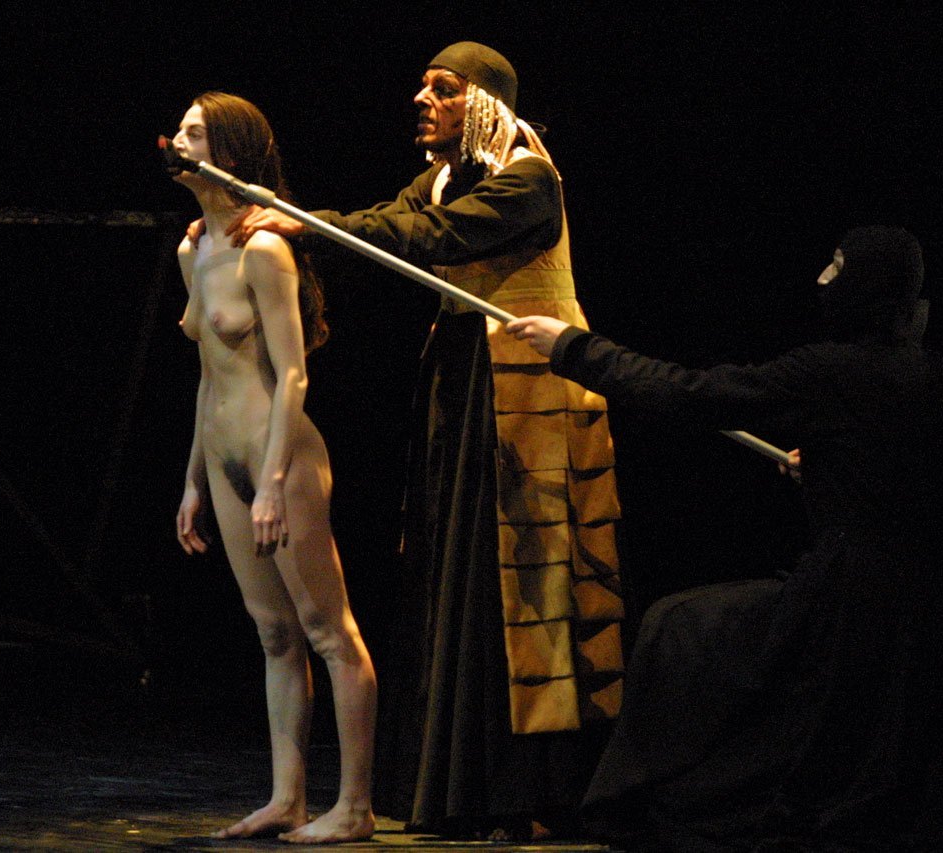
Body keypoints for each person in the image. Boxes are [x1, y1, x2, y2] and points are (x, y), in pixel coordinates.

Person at [193, 42, 626, 838]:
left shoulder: (528, 178)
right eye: (423, 87)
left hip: (530, 384)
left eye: (444, 89)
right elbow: (401, 220)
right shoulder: (441, 179)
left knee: (528, 586)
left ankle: (537, 792)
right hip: (463, 376)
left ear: (485, 104)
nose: (423, 100)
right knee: (457, 574)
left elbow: (430, 237)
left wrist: (302, 223)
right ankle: (459, 789)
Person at [507, 226, 943, 850]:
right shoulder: (942, 377)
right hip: (923, 605)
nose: (822, 280)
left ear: (866, 286)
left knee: (678, 626)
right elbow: (914, 471)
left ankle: (645, 794)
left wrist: (573, 347)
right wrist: (829, 466)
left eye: (837, 268)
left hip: (845, 602)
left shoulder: (829, 371)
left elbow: (689, 394)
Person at [169, 91, 377, 844]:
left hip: (280, 456)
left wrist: (275, 481)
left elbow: (293, 374)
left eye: (195, 132)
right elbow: (208, 374)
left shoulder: (263, 249)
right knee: (274, 634)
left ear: (228, 151)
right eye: (180, 128)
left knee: (326, 628)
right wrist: (194, 479)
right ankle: (287, 797)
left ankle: (354, 806)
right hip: (226, 459)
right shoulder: (194, 250)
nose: (178, 140)